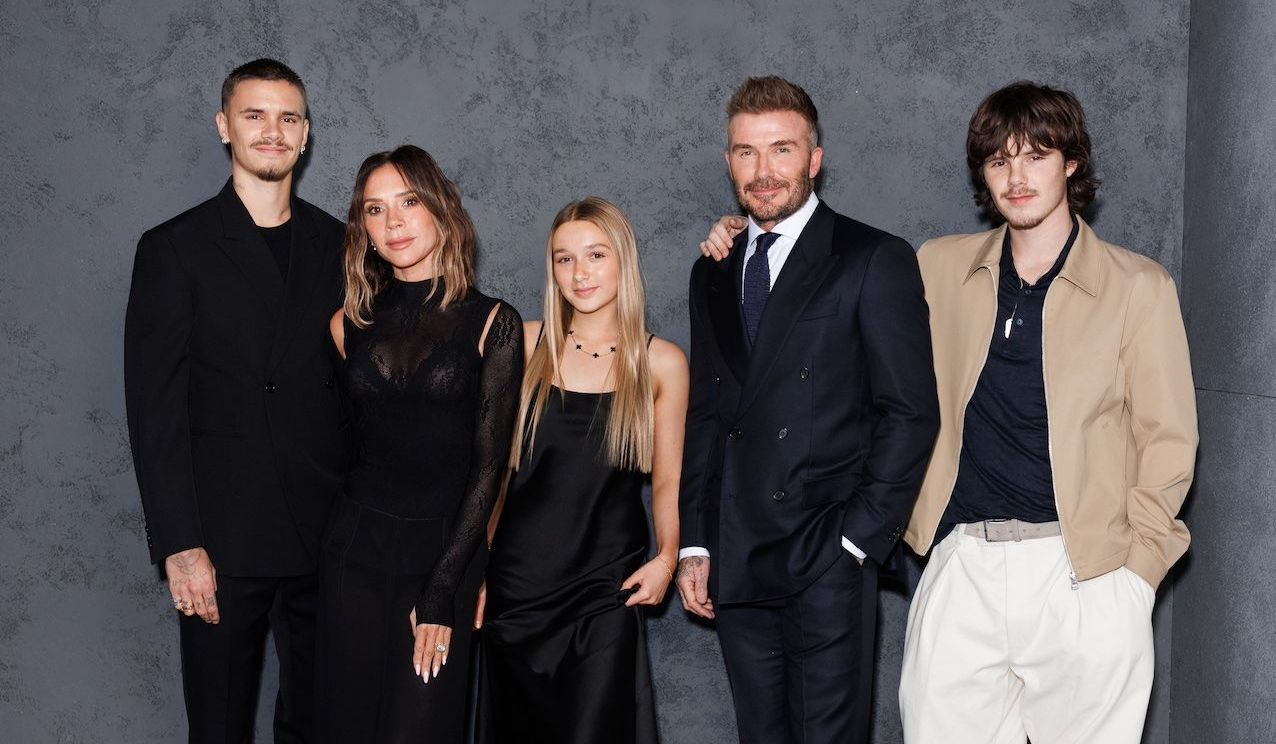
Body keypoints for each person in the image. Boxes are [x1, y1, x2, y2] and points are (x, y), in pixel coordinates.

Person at [896, 82, 1197, 743]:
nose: (1017, 177)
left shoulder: (1136, 286)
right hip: (963, 566)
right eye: (999, 160)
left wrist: (1135, 579)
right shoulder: (937, 268)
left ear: (1071, 163)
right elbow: (845, 303)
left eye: (1036, 156)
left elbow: (1169, 440)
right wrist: (751, 236)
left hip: (1086, 572)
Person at [676, 76, 939, 744]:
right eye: (746, 152)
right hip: (739, 552)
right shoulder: (713, 269)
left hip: (826, 554)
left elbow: (910, 412)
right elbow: (707, 414)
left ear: (814, 159)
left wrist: (857, 541)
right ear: (729, 162)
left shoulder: (871, 258)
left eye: (782, 150)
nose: (763, 171)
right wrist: (697, 542)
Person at [124, 58, 346, 743]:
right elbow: (154, 411)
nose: (272, 131)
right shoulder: (174, 248)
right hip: (221, 540)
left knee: (322, 723)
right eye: (255, 115)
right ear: (225, 126)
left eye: (287, 118)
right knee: (218, 727)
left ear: (305, 134)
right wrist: (179, 543)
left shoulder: (342, 245)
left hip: (327, 532)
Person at [318, 144, 523, 742]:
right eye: (375, 209)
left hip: (443, 552)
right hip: (353, 551)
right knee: (347, 726)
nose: (394, 222)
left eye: (408, 202)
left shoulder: (494, 323)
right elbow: (346, 447)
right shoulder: (345, 324)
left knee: (420, 729)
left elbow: (490, 469)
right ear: (363, 227)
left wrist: (445, 587)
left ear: (440, 208)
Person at [477, 197, 689, 744]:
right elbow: (492, 476)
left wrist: (666, 557)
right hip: (518, 586)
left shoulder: (661, 362)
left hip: (604, 588)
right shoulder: (523, 343)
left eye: (596, 254)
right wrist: (476, 570)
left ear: (623, 261)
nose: (580, 273)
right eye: (564, 258)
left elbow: (669, 479)